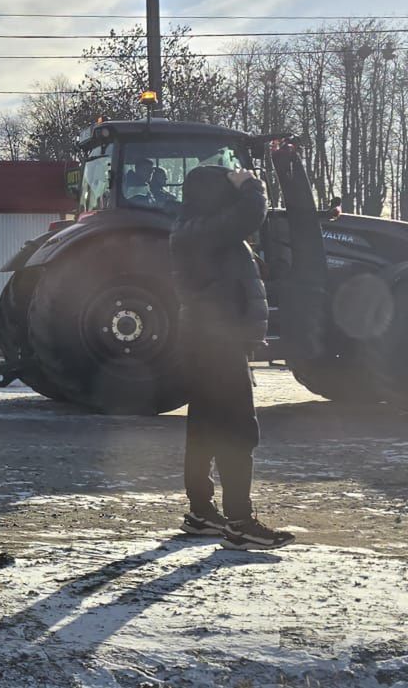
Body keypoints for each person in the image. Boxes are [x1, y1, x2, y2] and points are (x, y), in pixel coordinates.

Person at [171, 164, 294, 550]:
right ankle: (240, 523)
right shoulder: (207, 230)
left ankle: (202, 514)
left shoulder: (196, 229)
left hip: (206, 341)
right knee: (238, 429)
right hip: (218, 343)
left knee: (204, 427)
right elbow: (249, 215)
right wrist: (252, 185)